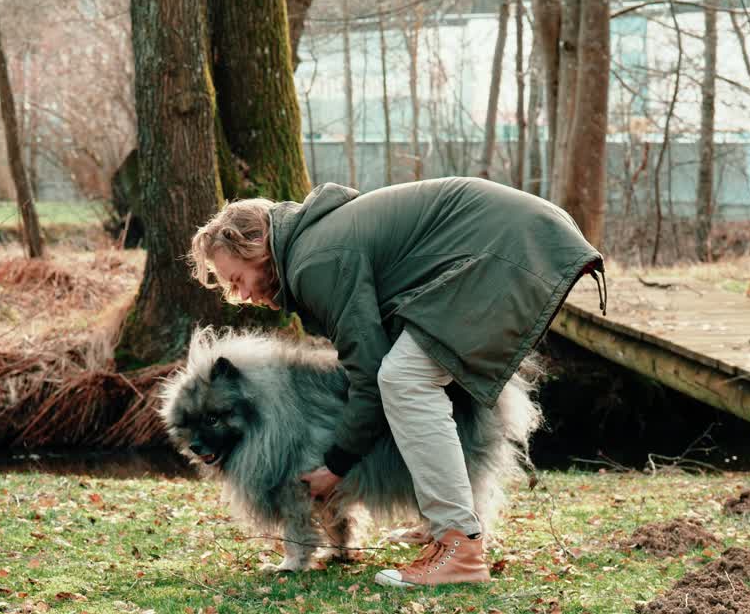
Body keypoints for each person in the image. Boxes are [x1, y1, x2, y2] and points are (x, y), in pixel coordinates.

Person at [187, 177, 604, 587]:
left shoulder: (316, 261)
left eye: (236, 279)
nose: (238, 295)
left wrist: (335, 467)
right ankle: (445, 530)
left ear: (257, 248)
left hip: (509, 245)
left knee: (403, 378)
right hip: (515, 238)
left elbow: (368, 375)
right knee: (407, 374)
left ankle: (459, 545)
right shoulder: (314, 246)